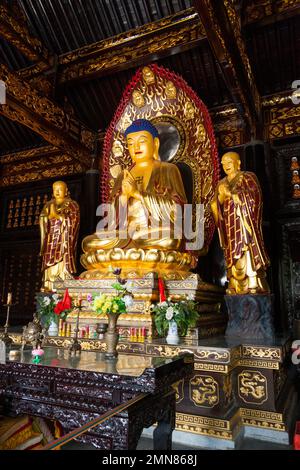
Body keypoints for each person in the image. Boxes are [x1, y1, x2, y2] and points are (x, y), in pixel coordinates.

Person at [82, 119, 187, 254]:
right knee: (89, 243)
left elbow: (178, 210)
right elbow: (110, 217)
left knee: (172, 239)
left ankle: (132, 250)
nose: (136, 147)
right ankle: (134, 249)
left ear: (155, 144)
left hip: (154, 232)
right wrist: (124, 197)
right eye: (131, 143)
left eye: (142, 141)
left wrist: (137, 194)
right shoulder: (122, 176)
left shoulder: (168, 169)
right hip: (125, 235)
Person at [211, 152, 270, 295]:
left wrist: (234, 195)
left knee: (247, 250)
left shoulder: (248, 177)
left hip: (244, 226)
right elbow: (214, 205)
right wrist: (220, 198)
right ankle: (233, 284)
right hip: (229, 227)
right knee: (231, 255)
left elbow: (255, 197)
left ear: (238, 163)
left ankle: (253, 282)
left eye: (229, 162)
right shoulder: (221, 183)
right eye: (223, 163)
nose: (226, 166)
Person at [39, 181, 80, 291]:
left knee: (63, 256)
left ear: (66, 191)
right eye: (55, 189)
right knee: (49, 260)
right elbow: (43, 221)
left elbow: (74, 220)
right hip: (50, 239)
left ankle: (63, 281)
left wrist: (59, 217)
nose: (57, 191)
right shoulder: (48, 205)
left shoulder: (71, 204)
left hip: (64, 239)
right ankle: (48, 284)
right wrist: (46, 218)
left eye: (60, 189)